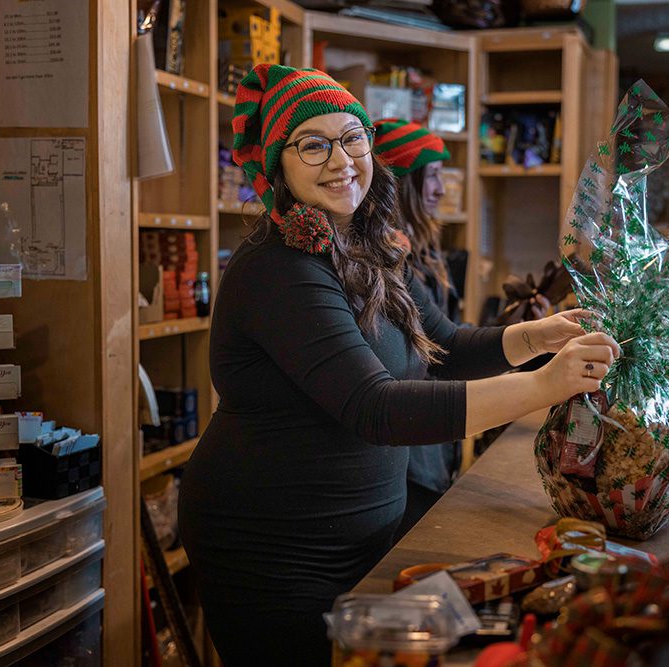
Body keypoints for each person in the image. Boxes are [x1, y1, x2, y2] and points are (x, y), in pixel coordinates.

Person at [177, 64, 620, 667]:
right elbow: (374, 406)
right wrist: (544, 384)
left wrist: (538, 336)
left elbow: (443, 346)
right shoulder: (278, 269)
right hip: (277, 554)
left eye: (352, 138)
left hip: (363, 541)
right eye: (313, 145)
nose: (341, 160)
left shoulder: (364, 245)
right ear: (279, 165)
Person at [373, 118, 462, 538]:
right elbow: (422, 359)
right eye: (432, 176)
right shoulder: (385, 263)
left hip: (431, 443)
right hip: (408, 458)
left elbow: (445, 343)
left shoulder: (423, 254)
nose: (441, 189)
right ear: (403, 183)